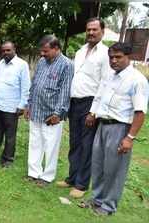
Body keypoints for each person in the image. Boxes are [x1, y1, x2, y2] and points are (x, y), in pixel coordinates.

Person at [79, 42, 149, 216]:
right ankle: (96, 199)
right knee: (98, 165)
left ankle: (108, 206)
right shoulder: (109, 76)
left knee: (114, 169)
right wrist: (92, 113)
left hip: (120, 129)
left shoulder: (137, 80)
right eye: (111, 57)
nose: (114, 61)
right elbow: (99, 96)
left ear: (129, 57)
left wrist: (130, 138)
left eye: (118, 57)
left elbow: (140, 112)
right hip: (102, 125)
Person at [57, 18, 112, 198]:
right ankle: (72, 178)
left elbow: (105, 84)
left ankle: (81, 184)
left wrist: (93, 111)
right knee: (75, 143)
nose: (90, 33)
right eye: (88, 29)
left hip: (90, 104)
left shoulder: (105, 53)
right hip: (75, 102)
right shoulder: (80, 51)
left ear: (102, 31)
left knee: (86, 145)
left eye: (94, 30)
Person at [25, 35, 74, 186]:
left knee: (51, 145)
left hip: (52, 114)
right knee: (35, 142)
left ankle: (47, 176)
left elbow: (65, 91)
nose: (42, 54)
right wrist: (29, 105)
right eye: (42, 51)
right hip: (36, 109)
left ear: (56, 48)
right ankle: (34, 173)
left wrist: (58, 113)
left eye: (46, 51)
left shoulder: (67, 64)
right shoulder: (41, 62)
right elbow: (34, 84)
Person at [0, 41, 30, 167]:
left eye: (8, 50)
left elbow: (25, 86)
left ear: (14, 49)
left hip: (12, 107)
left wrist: (22, 105)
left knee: (10, 135)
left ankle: (8, 160)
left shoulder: (22, 65)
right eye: (3, 51)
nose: (5, 53)